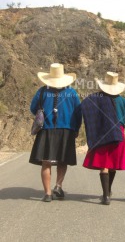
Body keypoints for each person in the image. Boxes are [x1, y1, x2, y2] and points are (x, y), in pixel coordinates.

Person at [29, 63, 82, 202]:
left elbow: (33, 108)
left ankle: (47, 193)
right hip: (66, 129)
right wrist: (76, 129)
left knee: (46, 162)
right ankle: (58, 186)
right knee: (62, 160)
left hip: (46, 129)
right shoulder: (72, 92)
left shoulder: (41, 91)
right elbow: (78, 112)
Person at [82, 71, 125, 205]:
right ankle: (109, 191)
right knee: (113, 164)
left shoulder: (97, 99)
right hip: (118, 134)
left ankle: (106, 196)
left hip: (102, 132)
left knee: (104, 165)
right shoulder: (122, 100)